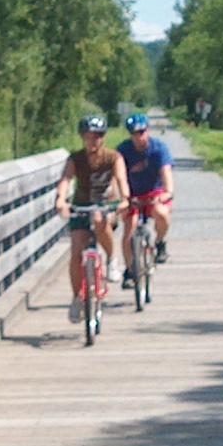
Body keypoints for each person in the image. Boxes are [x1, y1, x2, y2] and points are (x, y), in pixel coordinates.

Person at [56, 114, 126, 324]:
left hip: (106, 206)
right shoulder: (75, 159)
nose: (92, 141)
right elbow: (66, 179)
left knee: (99, 218)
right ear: (82, 138)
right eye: (88, 136)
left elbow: (121, 179)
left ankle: (112, 260)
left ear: (103, 137)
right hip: (81, 206)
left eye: (97, 136)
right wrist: (61, 200)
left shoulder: (113, 157)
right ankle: (77, 297)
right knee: (76, 252)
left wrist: (125, 199)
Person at [115, 112, 174, 286]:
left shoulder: (158, 149)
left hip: (153, 193)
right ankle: (129, 270)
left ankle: (160, 242)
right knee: (129, 230)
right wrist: (121, 198)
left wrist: (166, 193)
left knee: (161, 213)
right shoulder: (123, 151)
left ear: (148, 130)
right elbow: (117, 177)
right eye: (134, 133)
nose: (139, 137)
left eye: (142, 132)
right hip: (132, 195)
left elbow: (166, 174)